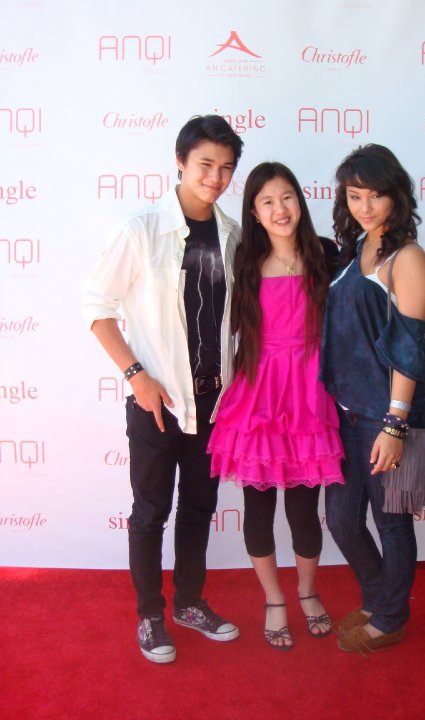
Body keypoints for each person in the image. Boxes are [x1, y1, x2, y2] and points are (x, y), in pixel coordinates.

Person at [82, 115, 244, 664]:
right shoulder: (141, 229)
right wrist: (136, 376)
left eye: (226, 168)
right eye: (205, 165)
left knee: (199, 507)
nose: (216, 177)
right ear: (180, 161)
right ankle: (151, 615)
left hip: (214, 405)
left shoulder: (233, 236)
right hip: (156, 405)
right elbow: (96, 309)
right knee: (151, 511)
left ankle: (190, 604)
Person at [207, 162, 344, 651]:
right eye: (267, 201)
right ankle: (273, 600)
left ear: (300, 202)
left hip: (310, 392)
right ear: (255, 212)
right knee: (258, 508)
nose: (280, 209)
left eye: (287, 197)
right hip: (259, 392)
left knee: (306, 509)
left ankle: (308, 592)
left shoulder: (326, 254)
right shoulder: (242, 261)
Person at [319, 144, 425, 654]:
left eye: (375, 195)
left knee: (391, 522)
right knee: (342, 519)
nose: (365, 206)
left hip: (387, 416)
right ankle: (378, 595)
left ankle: (390, 618)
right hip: (345, 412)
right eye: (355, 195)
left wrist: (395, 424)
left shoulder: (406, 258)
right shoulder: (355, 248)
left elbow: (409, 350)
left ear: (396, 195)